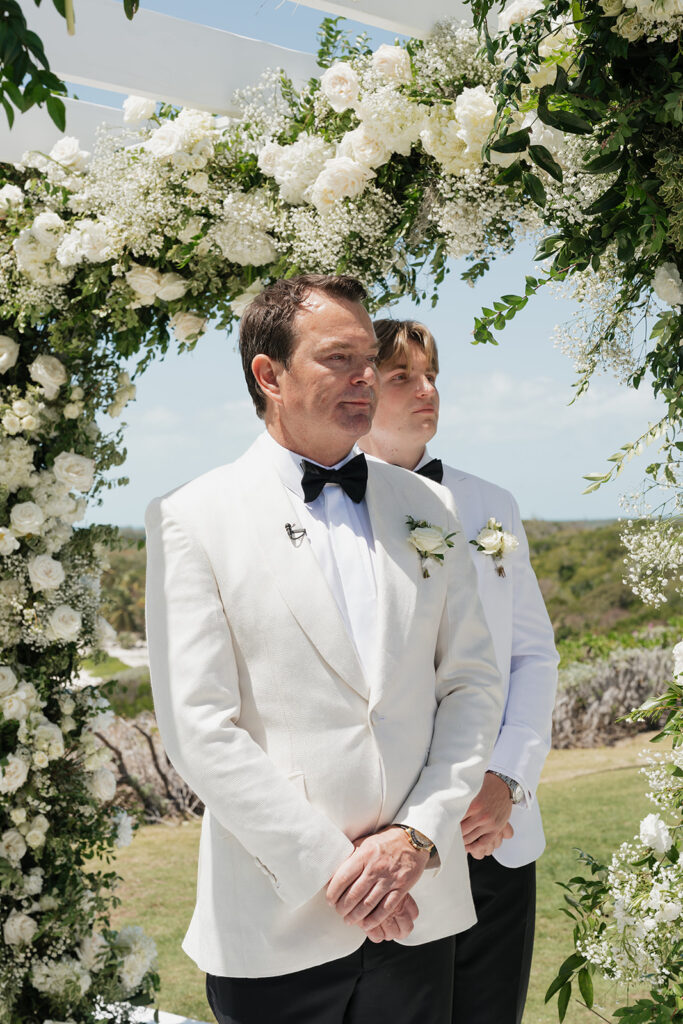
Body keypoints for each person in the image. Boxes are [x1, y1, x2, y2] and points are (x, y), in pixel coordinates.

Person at [144, 275, 504, 1024]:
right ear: (268, 374)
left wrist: (414, 839)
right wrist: (340, 873)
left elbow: (470, 684)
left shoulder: (426, 507)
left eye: (368, 359)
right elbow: (199, 728)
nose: (365, 377)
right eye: (339, 359)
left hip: (419, 904)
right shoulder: (193, 517)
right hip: (280, 920)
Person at [359, 318, 559, 1024]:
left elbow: (531, 653)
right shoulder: (339, 508)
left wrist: (507, 779)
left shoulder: (490, 505)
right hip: (396, 840)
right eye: (402, 378)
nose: (427, 391)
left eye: (432, 374)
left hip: (496, 834)